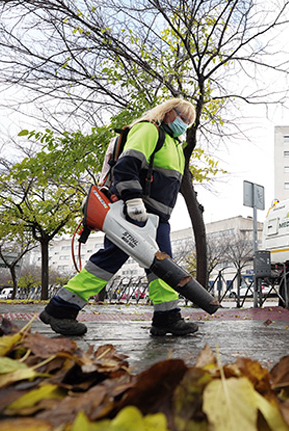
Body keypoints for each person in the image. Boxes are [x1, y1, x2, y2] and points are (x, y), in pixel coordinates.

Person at [40, 98, 199, 337]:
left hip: (156, 218)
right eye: (182, 117)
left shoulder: (174, 144)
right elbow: (126, 166)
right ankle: (61, 308)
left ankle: (167, 316)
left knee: (161, 266)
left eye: (189, 121)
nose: (184, 123)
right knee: (111, 260)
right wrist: (133, 199)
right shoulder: (149, 129)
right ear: (168, 113)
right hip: (136, 212)